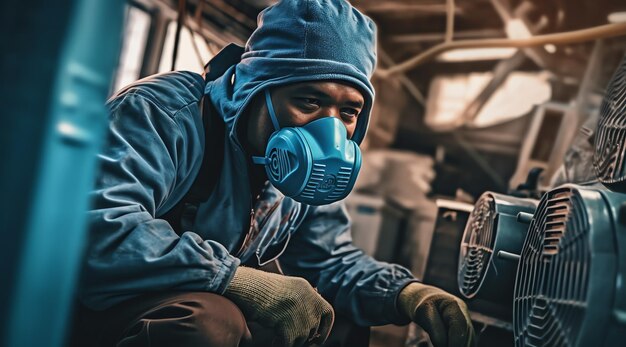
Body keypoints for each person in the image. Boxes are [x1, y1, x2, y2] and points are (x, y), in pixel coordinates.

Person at [71, 0, 475, 346]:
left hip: (171, 300)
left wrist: (407, 293)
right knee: (212, 321)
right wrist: (239, 281)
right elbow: (99, 228)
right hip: (82, 307)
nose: (329, 129)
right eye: (308, 99)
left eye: (348, 111)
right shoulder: (166, 115)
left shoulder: (296, 179)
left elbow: (329, 260)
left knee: (334, 318)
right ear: (254, 90)